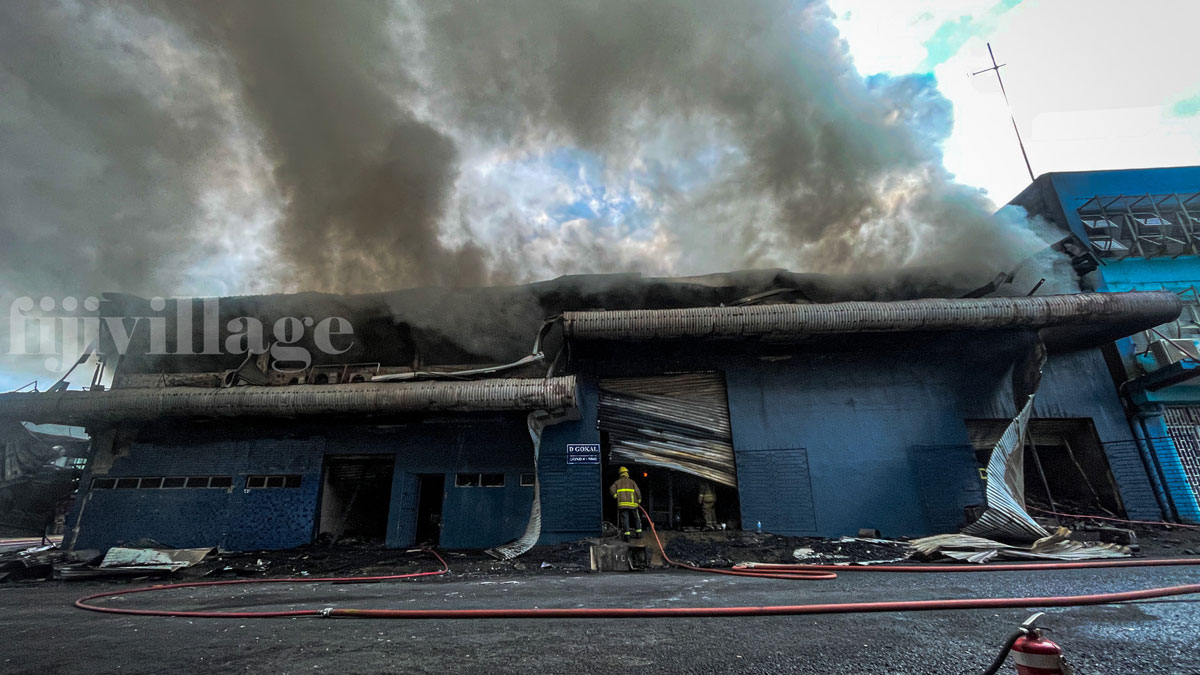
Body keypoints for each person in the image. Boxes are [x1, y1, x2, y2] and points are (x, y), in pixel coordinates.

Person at [609, 466, 642, 540]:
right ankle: (638, 534)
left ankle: (627, 536)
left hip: (622, 504)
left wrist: (615, 495)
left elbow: (611, 488)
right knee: (636, 518)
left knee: (625, 519)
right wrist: (639, 499)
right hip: (633, 504)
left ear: (620, 474)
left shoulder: (617, 482)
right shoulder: (632, 482)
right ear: (627, 473)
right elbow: (637, 491)